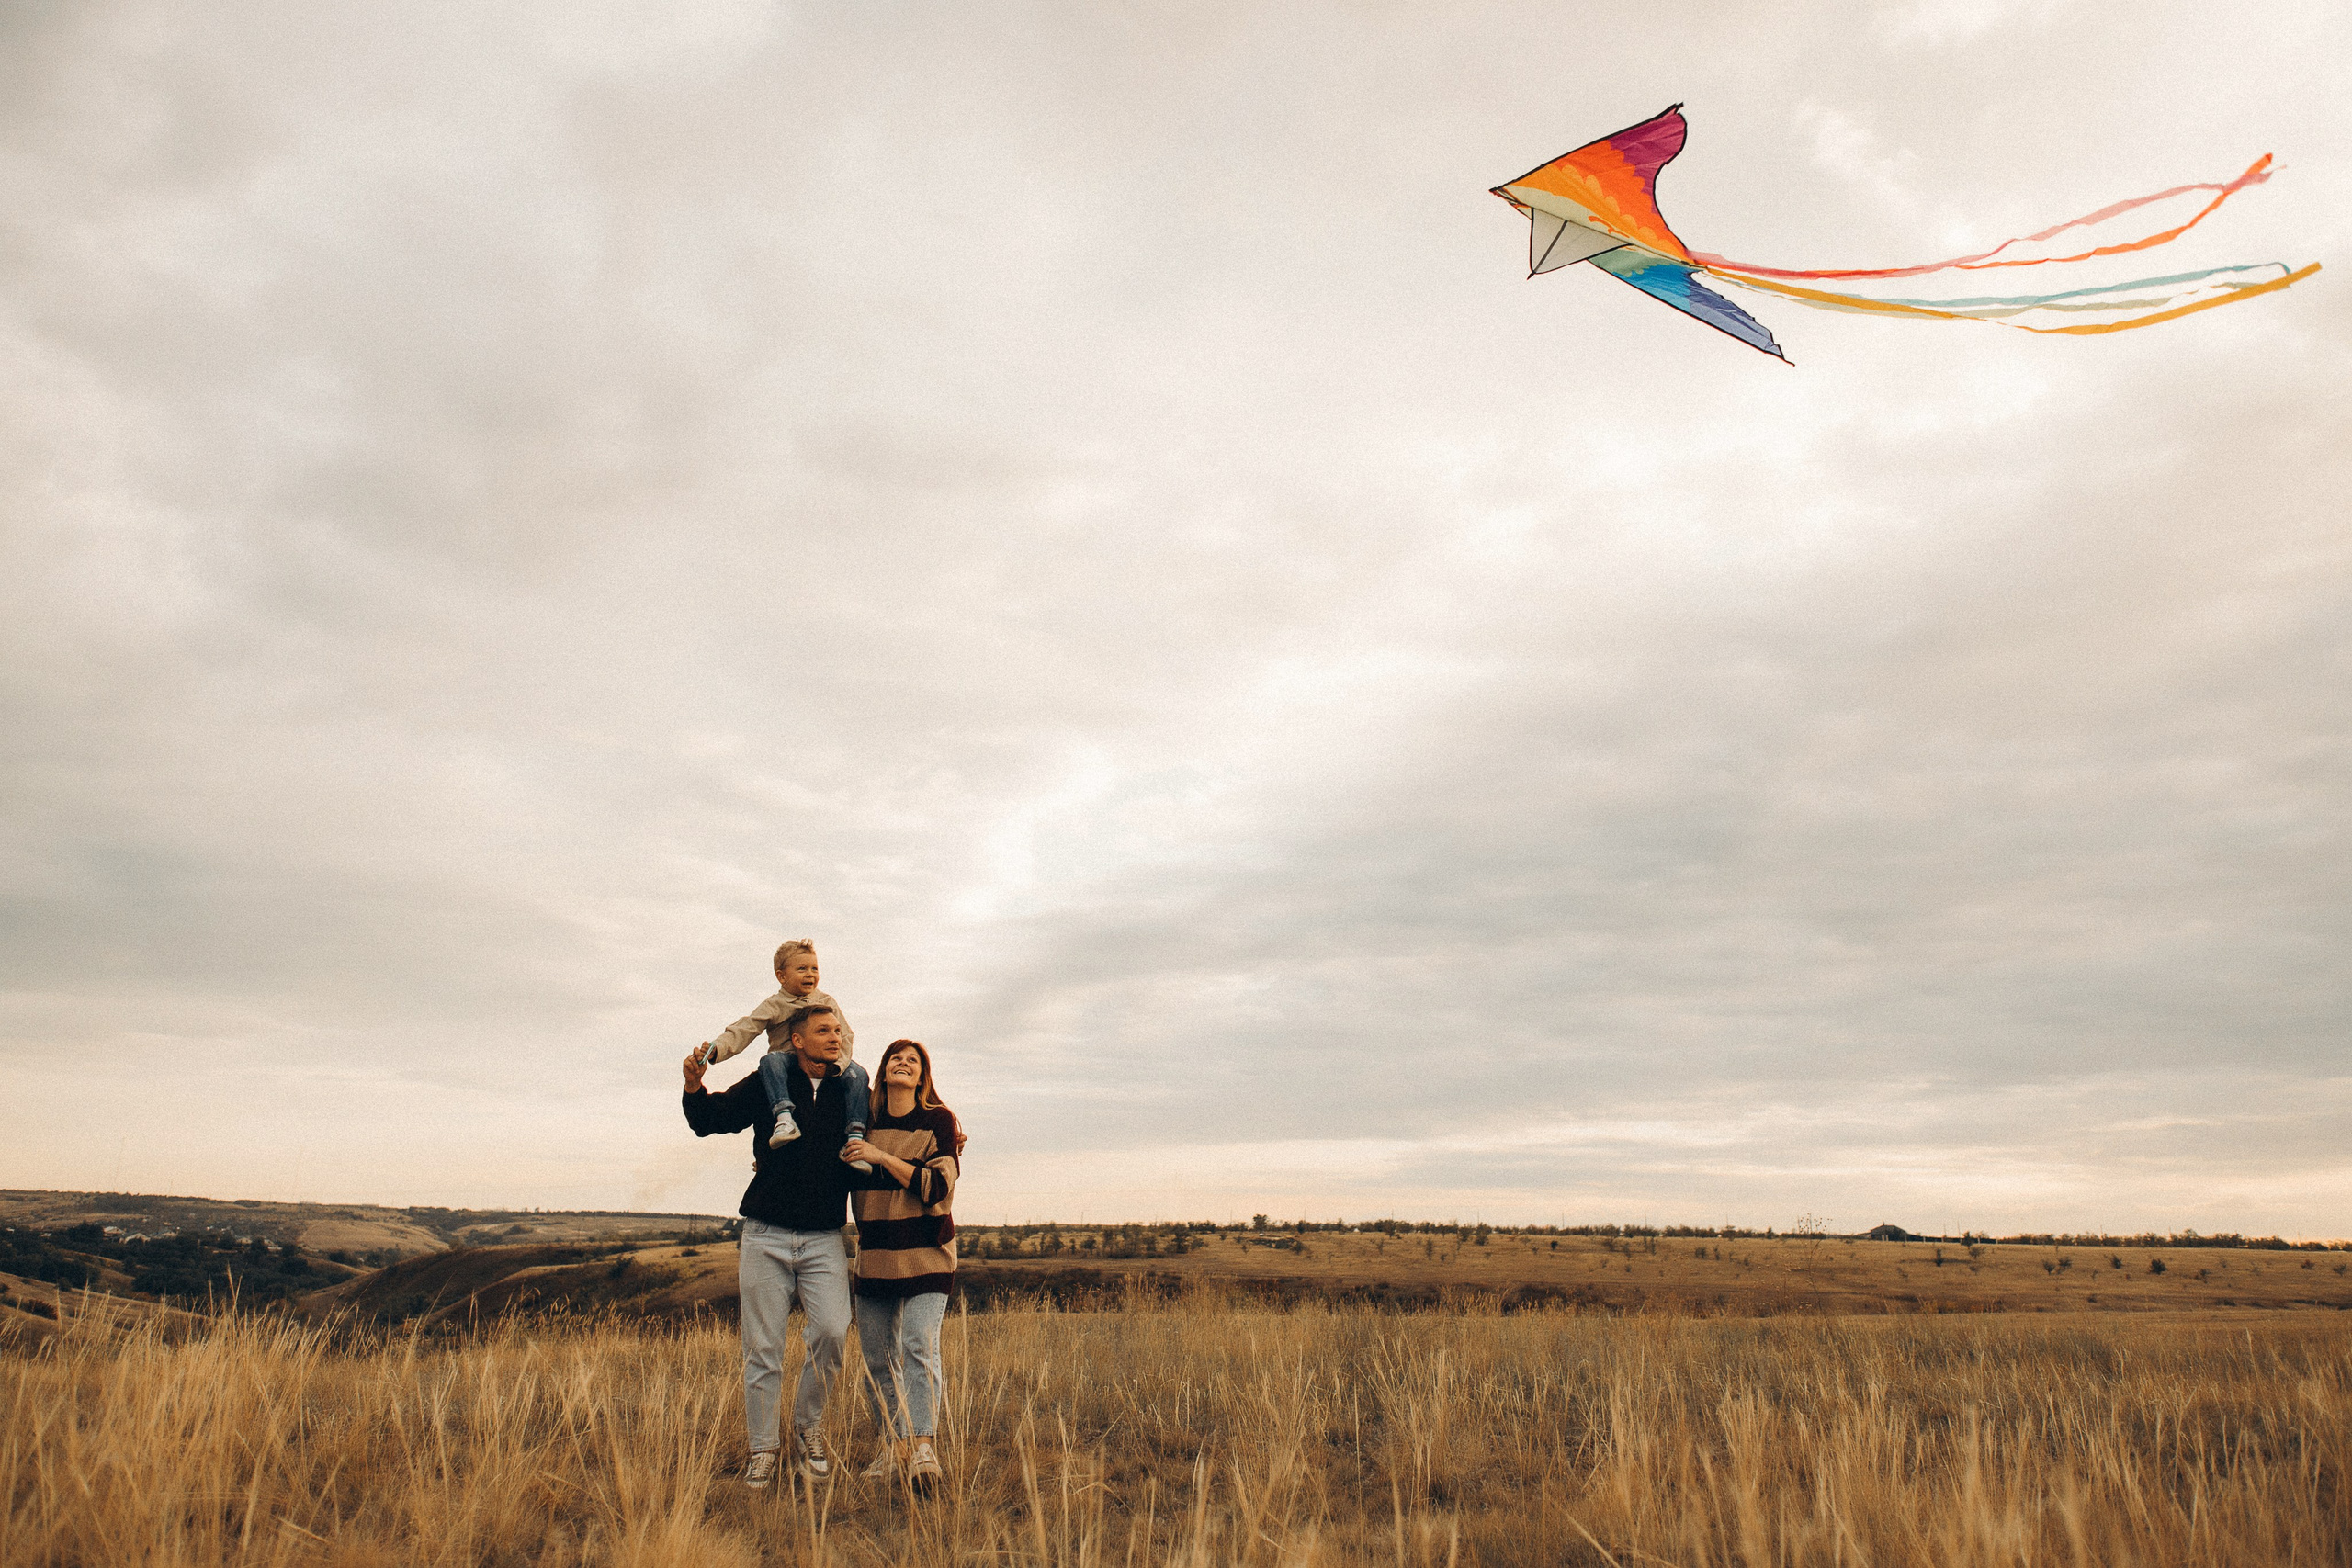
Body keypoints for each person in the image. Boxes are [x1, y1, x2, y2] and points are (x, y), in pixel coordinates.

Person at [681, 1002, 876, 1488]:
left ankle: (808, 1427)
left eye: (838, 1030)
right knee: (762, 1349)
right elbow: (711, 1119)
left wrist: (943, 1139)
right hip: (765, 1233)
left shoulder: (852, 1089)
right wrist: (693, 1086)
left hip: (824, 1236)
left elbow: (891, 1130)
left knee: (832, 1332)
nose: (835, 1038)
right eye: (823, 1031)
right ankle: (763, 1449)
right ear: (798, 1040)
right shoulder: (770, 1082)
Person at [840, 1038, 963, 1494]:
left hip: (927, 1252)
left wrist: (881, 1157)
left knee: (918, 1345)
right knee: (877, 1360)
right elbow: (835, 1170)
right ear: (883, 1070)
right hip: (875, 1256)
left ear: (922, 1075)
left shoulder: (939, 1121)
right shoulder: (863, 1123)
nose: (904, 1063)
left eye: (914, 1060)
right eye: (897, 1057)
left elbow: (935, 1188)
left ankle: (924, 1448)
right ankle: (896, 1448)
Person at [695, 939, 872, 1166]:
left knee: (859, 1075)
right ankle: (784, 1117)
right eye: (802, 969)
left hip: (832, 1066)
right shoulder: (775, 1005)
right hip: (785, 1064)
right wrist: (716, 1049)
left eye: (814, 968)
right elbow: (747, 1028)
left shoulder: (826, 1002)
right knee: (770, 1061)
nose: (810, 974)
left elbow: (845, 1035)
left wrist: (838, 1065)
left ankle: (855, 1138)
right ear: (781, 976)